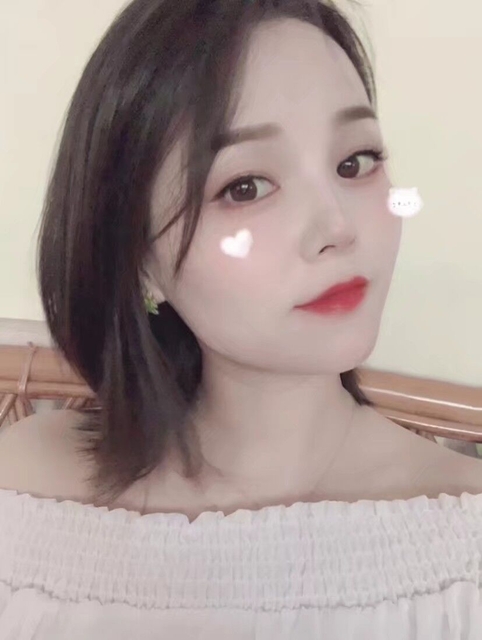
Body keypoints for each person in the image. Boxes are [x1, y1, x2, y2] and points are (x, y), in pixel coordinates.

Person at [1, 0, 482, 637]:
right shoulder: (23, 498)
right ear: (138, 259)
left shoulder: (463, 546)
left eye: (355, 161)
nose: (337, 226)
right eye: (246, 186)